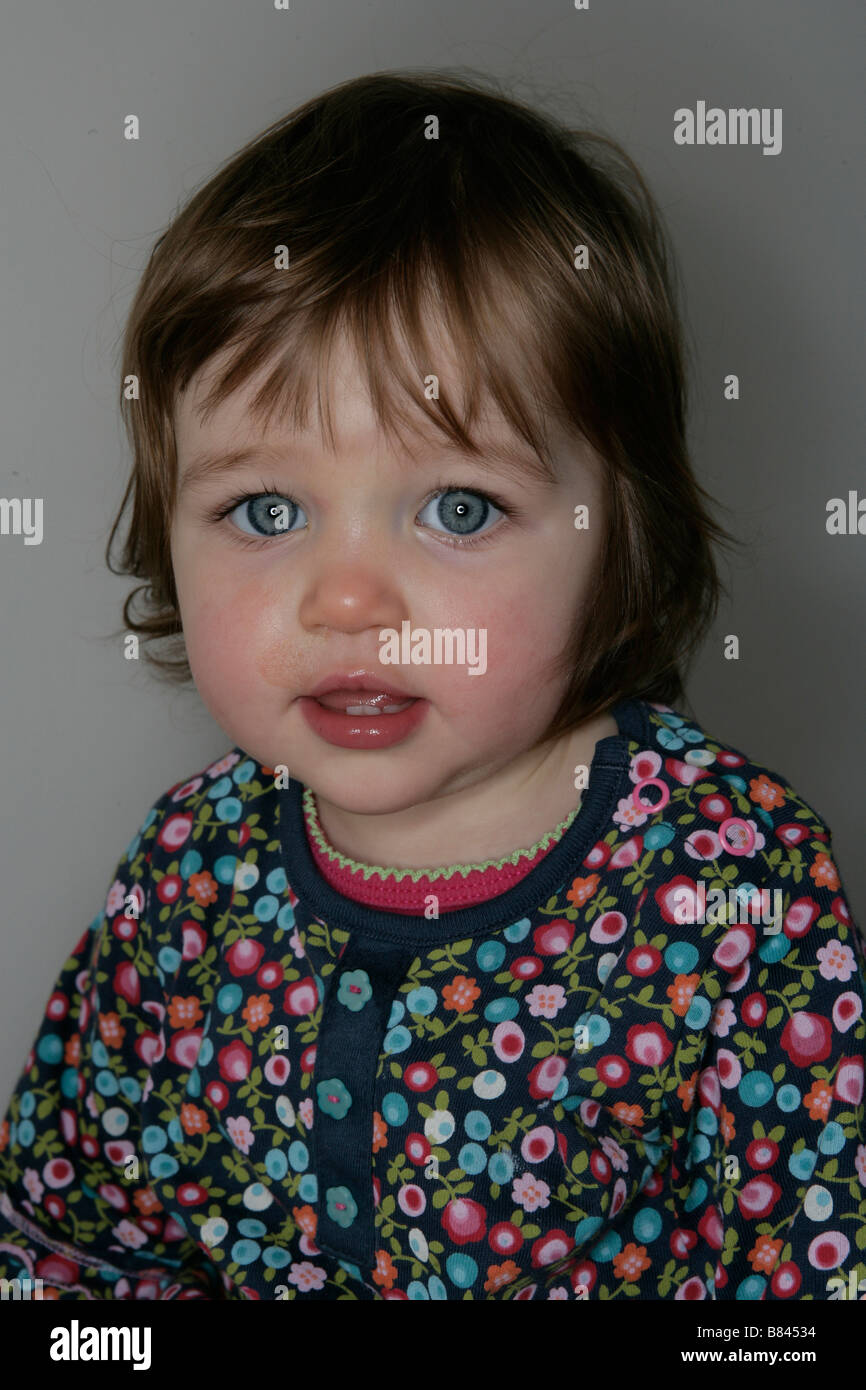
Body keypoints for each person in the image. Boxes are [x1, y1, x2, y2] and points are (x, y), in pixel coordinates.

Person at [1, 70, 863, 1302]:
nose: (347, 601)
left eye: (459, 508)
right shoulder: (187, 871)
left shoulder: (732, 889)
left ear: (623, 540)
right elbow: (64, 1253)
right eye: (264, 508)